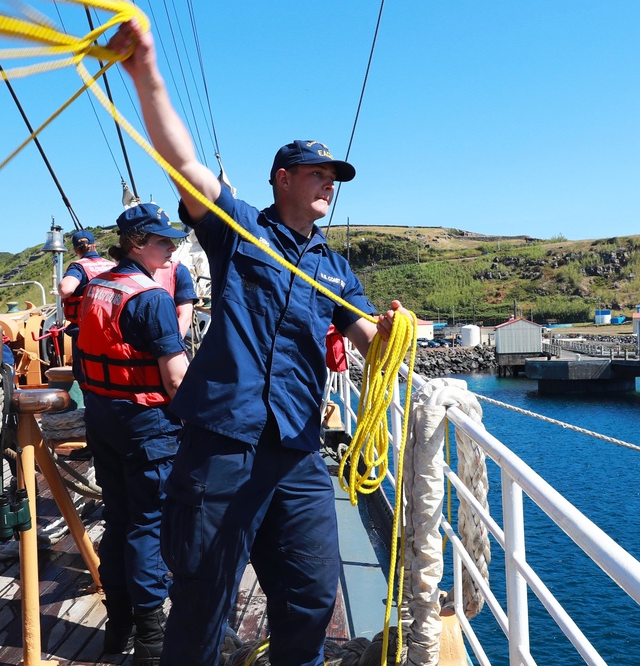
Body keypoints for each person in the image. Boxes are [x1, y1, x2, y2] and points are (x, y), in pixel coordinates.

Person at [112, 20, 410, 666]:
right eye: (316, 172)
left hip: (299, 449)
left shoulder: (334, 267)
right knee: (203, 595)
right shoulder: (240, 230)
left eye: (334, 175)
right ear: (281, 177)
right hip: (223, 440)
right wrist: (146, 71)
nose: (329, 181)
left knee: (309, 591)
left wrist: (385, 337)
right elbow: (184, 164)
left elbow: (363, 339)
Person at [76, 203, 189, 663]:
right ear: (138, 242)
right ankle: (150, 637)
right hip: (147, 427)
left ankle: (117, 624)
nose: (172, 247)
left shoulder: (96, 287)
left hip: (103, 418)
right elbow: (177, 378)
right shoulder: (151, 298)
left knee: (118, 519)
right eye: (164, 241)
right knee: (149, 524)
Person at [58, 229, 116, 373]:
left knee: (86, 374)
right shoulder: (112, 265)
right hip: (112, 329)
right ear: (94, 246)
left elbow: (66, 289)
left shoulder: (79, 267)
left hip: (86, 330)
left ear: (75, 250)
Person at [150, 259, 197, 338]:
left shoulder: (178, 270)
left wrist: (172, 347)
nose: (172, 249)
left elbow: (184, 317)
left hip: (162, 342)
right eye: (163, 245)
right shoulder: (126, 268)